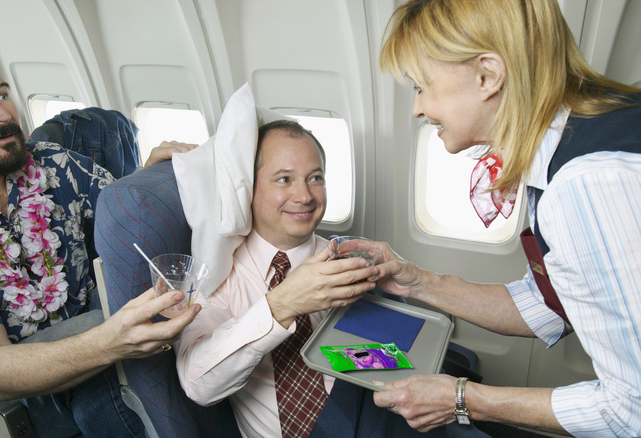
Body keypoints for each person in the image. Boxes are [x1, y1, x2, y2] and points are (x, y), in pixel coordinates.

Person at [0, 46, 199, 437]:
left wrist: (146, 184)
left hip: (91, 335)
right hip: (4, 398)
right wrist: (112, 342)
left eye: (1, 94)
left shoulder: (54, 165)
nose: (2, 114)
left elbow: (123, 224)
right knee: (120, 377)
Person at [372, 1, 641, 437]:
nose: (416, 109)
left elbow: (632, 410)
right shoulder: (578, 135)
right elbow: (550, 306)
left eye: (423, 86)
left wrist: (462, 399)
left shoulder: (588, 183)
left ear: (487, 75)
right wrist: (413, 281)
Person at [175, 120, 481, 438]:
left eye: (315, 178)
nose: (305, 195)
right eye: (284, 179)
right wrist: (281, 304)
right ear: (249, 187)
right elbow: (198, 386)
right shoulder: (217, 275)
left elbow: (391, 360)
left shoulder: (352, 259)